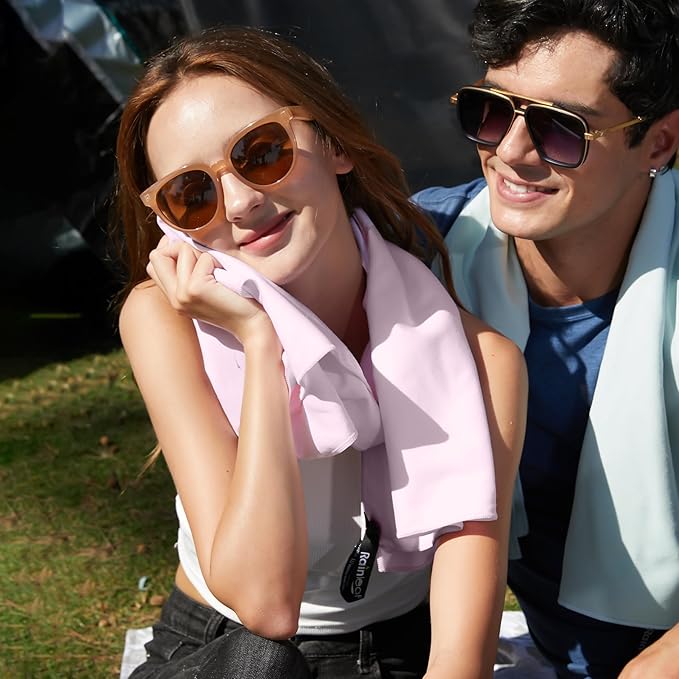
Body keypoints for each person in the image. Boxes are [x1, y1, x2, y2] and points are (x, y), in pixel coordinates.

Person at [110, 26, 526, 679]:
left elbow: (457, 659)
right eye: (192, 194)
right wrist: (259, 341)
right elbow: (265, 606)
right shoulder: (164, 320)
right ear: (170, 224)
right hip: (220, 649)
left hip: (397, 651)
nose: (241, 203)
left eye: (262, 152)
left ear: (333, 143)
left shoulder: (480, 362)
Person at [412, 1, 679, 677]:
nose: (509, 151)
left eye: (562, 128)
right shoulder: (420, 255)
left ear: (659, 143)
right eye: (490, 110)